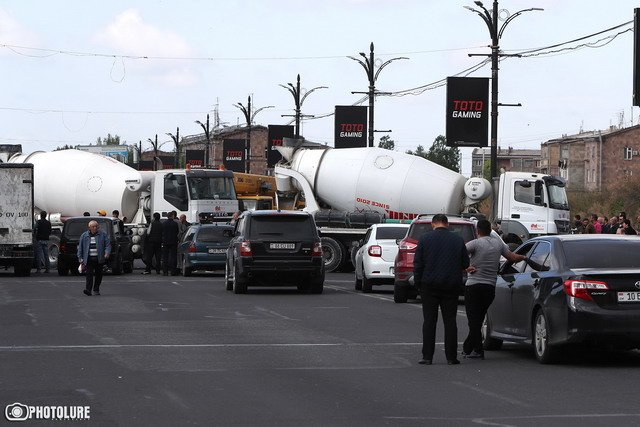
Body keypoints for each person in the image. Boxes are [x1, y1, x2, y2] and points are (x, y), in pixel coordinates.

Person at [462, 219, 526, 359]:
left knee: (474, 320)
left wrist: (465, 267)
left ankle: (472, 348)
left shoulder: (475, 243)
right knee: (478, 318)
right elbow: (512, 257)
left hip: (473, 286)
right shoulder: (498, 244)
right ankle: (474, 349)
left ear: (477, 231)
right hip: (490, 287)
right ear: (490, 229)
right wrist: (524, 257)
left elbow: (458, 253)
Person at [413, 214, 469, 366]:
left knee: (429, 321)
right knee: (450, 321)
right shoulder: (457, 240)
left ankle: (427, 356)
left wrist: (418, 283)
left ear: (433, 224)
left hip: (429, 285)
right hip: (451, 285)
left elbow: (418, 264)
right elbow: (465, 263)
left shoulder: (425, 239)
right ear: (447, 224)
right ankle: (451, 357)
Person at [77, 220, 111, 296]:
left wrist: (107, 253)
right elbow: (80, 248)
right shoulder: (84, 235)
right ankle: (88, 290)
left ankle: (96, 289)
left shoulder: (103, 235)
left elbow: (108, 245)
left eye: (96, 226)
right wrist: (80, 257)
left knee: (99, 275)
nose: (95, 228)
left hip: (99, 259)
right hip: (89, 259)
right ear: (89, 227)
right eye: (93, 226)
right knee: (89, 275)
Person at [162, 211, 179, 276]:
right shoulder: (175, 224)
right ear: (172, 216)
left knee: (165, 257)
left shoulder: (164, 224)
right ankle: (173, 271)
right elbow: (177, 232)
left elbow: (162, 232)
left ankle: (165, 271)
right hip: (173, 242)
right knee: (173, 257)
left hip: (165, 242)